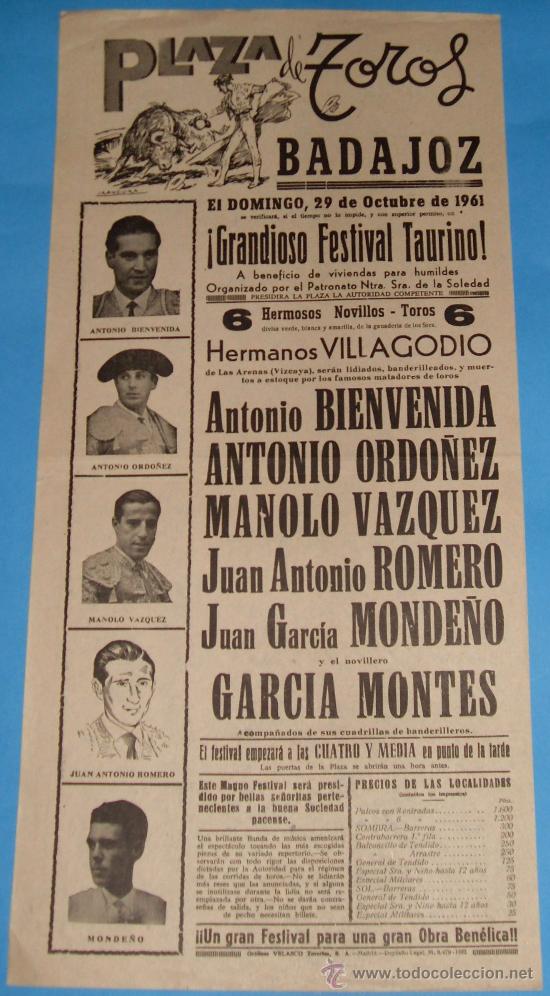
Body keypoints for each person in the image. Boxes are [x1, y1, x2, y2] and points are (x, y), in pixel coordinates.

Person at [68, 800, 166, 924]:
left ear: (136, 849)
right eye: (92, 845)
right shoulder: (73, 908)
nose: (95, 855)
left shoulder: (158, 911)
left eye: (108, 845)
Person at [78, 640, 169, 759]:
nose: (134, 697)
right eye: (122, 683)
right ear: (98, 689)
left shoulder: (163, 743)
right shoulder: (82, 742)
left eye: (142, 683)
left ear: (153, 687)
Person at [82, 490, 172, 603]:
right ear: (116, 524)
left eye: (151, 524)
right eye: (133, 523)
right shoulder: (92, 571)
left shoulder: (155, 575)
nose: (143, 533)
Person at [86, 349, 177, 455]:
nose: (132, 385)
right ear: (116, 383)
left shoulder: (165, 427)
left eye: (140, 376)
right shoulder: (97, 423)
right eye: (124, 377)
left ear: (153, 382)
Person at [93, 216, 180, 318]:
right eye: (130, 256)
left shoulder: (176, 305)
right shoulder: (94, 308)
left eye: (149, 255)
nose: (141, 267)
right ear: (110, 258)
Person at [209, 75, 265, 188]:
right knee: (227, 152)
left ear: (224, 84)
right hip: (239, 124)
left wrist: (255, 107)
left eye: (220, 87)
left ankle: (256, 180)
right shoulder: (227, 97)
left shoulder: (243, 87)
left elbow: (261, 89)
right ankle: (221, 180)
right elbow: (219, 109)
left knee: (253, 149)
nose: (220, 90)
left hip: (248, 121)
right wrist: (205, 116)